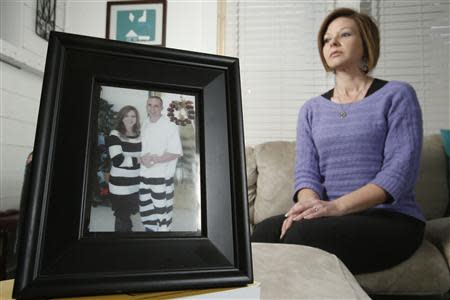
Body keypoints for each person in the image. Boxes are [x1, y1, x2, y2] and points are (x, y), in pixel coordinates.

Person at [251, 7, 425, 275]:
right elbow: (306, 174)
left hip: (390, 219)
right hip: (328, 215)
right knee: (261, 234)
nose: (332, 42)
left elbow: (398, 174)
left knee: (302, 238)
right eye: (326, 39)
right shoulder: (311, 109)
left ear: (366, 43)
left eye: (344, 34)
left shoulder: (397, 95)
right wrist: (309, 206)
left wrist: (334, 207)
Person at [140, 96, 182, 232]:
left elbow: (175, 152)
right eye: (149, 105)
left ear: (162, 108)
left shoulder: (169, 126)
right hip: (144, 175)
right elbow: (142, 150)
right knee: (147, 213)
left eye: (156, 106)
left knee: (162, 215)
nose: (152, 109)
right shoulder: (144, 124)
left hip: (161, 178)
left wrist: (154, 159)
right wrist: (143, 159)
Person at [108, 105, 142, 232]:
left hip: (136, 183)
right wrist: (139, 159)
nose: (130, 118)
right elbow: (117, 160)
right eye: (126, 115)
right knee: (122, 218)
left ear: (136, 118)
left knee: (128, 216)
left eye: (133, 116)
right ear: (121, 117)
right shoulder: (115, 134)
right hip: (120, 185)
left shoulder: (140, 135)